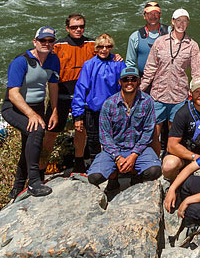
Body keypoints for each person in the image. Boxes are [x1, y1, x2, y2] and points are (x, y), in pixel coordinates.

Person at [1, 26, 61, 200]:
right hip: (15, 108)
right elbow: (13, 94)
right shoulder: (21, 61)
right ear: (35, 42)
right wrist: (31, 115)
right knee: (36, 131)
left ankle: (16, 189)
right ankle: (34, 182)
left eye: (50, 41)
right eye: (43, 40)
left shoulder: (53, 60)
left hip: (38, 107)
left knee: (29, 146)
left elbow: (53, 86)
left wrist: (54, 110)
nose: (46, 44)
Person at [86, 66, 162, 192]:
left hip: (138, 149)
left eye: (133, 79)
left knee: (154, 171)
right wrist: (117, 157)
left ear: (138, 81)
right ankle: (113, 178)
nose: (129, 82)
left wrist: (134, 155)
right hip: (115, 150)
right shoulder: (109, 104)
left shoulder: (147, 101)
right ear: (120, 82)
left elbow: (148, 131)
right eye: (126, 79)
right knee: (94, 177)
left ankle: (135, 175)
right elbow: (105, 136)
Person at [140, 8, 200, 156]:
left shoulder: (192, 45)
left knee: (175, 133)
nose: (181, 24)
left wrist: (199, 92)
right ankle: (154, 159)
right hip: (158, 94)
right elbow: (150, 68)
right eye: (178, 20)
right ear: (172, 22)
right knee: (154, 131)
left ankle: (170, 158)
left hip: (179, 95)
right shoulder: (160, 42)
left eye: (184, 21)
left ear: (187, 23)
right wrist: (140, 89)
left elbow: (197, 72)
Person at [46, 13, 96, 174]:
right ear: (67, 28)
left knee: (81, 130)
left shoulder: (92, 44)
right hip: (61, 94)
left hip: (83, 95)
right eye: (74, 27)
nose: (78, 29)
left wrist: (115, 58)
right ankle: (41, 165)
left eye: (81, 26)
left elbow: (104, 58)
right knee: (51, 131)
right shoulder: (58, 45)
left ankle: (79, 162)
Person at [71, 33, 124, 164]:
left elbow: (125, 88)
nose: (104, 50)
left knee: (115, 139)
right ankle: (96, 165)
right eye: (101, 46)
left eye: (108, 46)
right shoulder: (89, 65)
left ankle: (115, 167)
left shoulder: (118, 64)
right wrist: (78, 116)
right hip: (93, 110)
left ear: (111, 47)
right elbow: (80, 90)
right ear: (96, 48)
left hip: (113, 111)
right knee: (93, 140)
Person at [126, 1, 169, 76]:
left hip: (166, 79)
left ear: (160, 15)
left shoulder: (170, 32)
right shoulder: (135, 36)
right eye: (149, 14)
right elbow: (130, 64)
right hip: (144, 79)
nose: (153, 16)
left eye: (156, 13)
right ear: (144, 15)